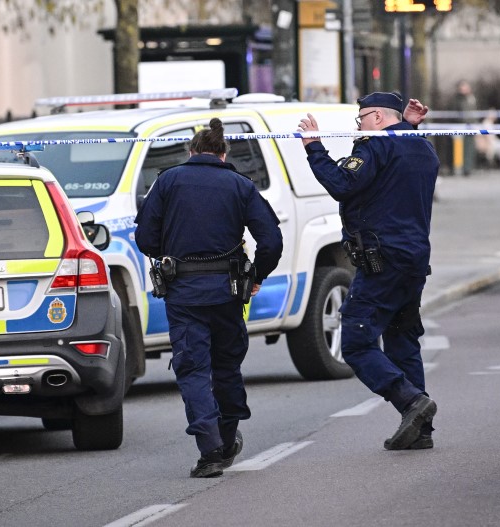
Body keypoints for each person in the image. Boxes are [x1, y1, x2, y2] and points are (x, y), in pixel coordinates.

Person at [134, 118, 283, 478]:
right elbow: (272, 241)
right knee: (227, 366)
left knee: (193, 370)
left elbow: (144, 238)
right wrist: (256, 275)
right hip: (229, 292)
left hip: (183, 294)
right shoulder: (239, 184)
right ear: (223, 153)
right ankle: (228, 437)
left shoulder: (167, 181)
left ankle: (210, 450)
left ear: (191, 152)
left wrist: (170, 254)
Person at [297, 92, 439, 451]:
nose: (359, 127)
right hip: (414, 260)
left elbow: (343, 185)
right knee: (402, 341)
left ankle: (410, 402)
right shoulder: (422, 146)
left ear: (376, 117)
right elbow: (398, 163)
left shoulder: (374, 146)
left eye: (361, 120)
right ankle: (420, 430)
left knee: (357, 343)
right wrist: (407, 125)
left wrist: (314, 146)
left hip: (383, 260)